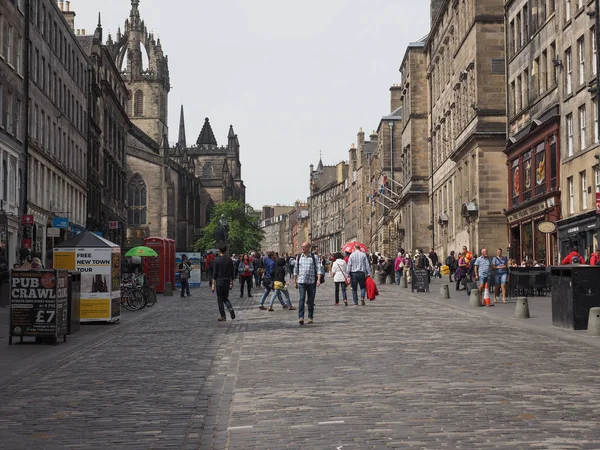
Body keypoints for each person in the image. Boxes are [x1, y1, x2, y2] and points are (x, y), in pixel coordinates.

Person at [293, 242, 324, 325]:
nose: (303, 248)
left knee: (310, 300)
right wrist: (295, 281)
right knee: (302, 299)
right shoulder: (298, 257)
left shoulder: (314, 257)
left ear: (309, 247)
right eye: (302, 247)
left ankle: (310, 317)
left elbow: (319, 269)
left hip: (311, 281)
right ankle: (301, 317)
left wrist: (318, 280)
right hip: (301, 281)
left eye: (304, 247)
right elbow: (295, 270)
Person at [211, 245, 236, 322]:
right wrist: (232, 282)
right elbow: (232, 273)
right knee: (225, 297)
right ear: (225, 250)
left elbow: (214, 273)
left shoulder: (217, 260)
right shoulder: (229, 260)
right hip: (227, 281)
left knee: (220, 299)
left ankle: (223, 316)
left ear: (219, 250)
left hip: (219, 281)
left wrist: (213, 284)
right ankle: (230, 308)